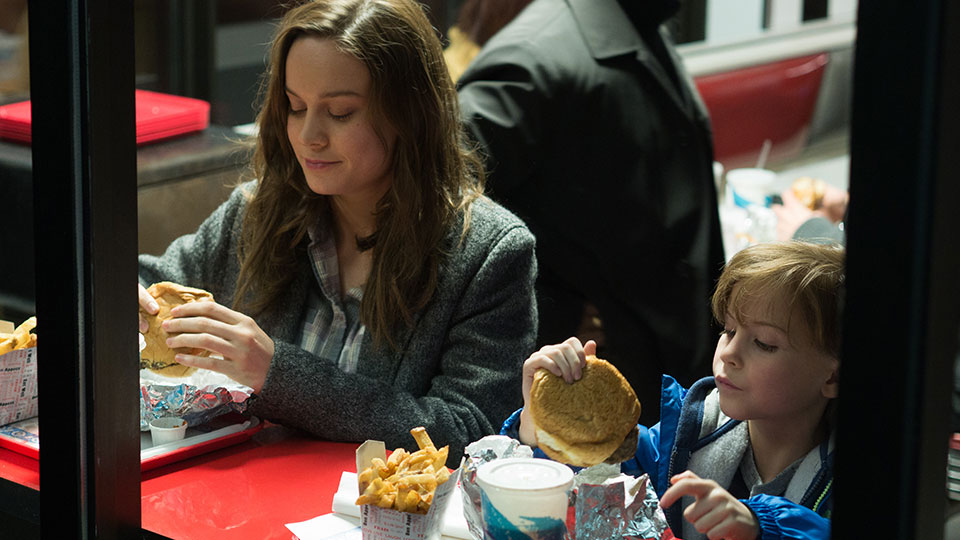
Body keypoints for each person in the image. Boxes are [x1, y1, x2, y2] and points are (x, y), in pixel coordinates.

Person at [137, 0, 538, 462]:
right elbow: (153, 280)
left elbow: (472, 430)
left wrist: (277, 372)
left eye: (340, 112)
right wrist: (124, 300)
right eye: (295, 106)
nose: (309, 135)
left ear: (409, 114)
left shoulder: (488, 251)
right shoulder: (257, 212)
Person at [456, 0, 726, 427]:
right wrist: (545, 312)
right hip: (595, 390)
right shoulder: (530, 62)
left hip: (662, 379)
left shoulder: (639, 28)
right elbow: (440, 213)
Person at [505, 241, 844, 539]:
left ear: (832, 378)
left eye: (764, 343)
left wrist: (760, 526)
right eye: (728, 330)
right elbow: (586, 474)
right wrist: (539, 423)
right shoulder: (680, 439)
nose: (728, 353)